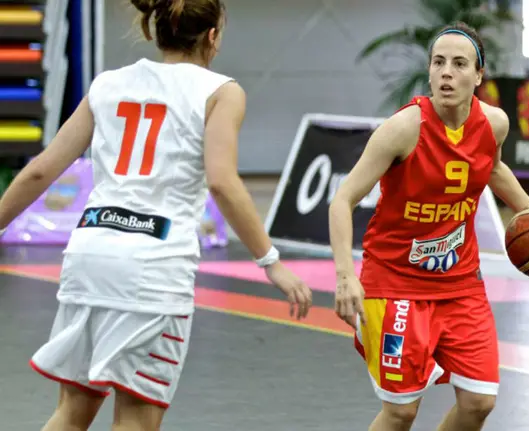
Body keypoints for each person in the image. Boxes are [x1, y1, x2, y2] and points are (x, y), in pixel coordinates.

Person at [0, 0, 312, 429]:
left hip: (89, 257)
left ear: (155, 29)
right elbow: (222, 182)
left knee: (71, 413)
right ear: (212, 36)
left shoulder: (108, 84)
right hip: (153, 269)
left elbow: (40, 171)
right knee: (136, 418)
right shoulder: (221, 92)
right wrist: (270, 261)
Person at [329, 22, 529, 431]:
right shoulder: (404, 128)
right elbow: (342, 199)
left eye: (459, 64)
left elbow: (492, 168)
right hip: (395, 283)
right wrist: (345, 276)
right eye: (438, 62)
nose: (446, 73)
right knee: (401, 412)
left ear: (479, 75)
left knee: (479, 402)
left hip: (460, 284)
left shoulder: (494, 124)